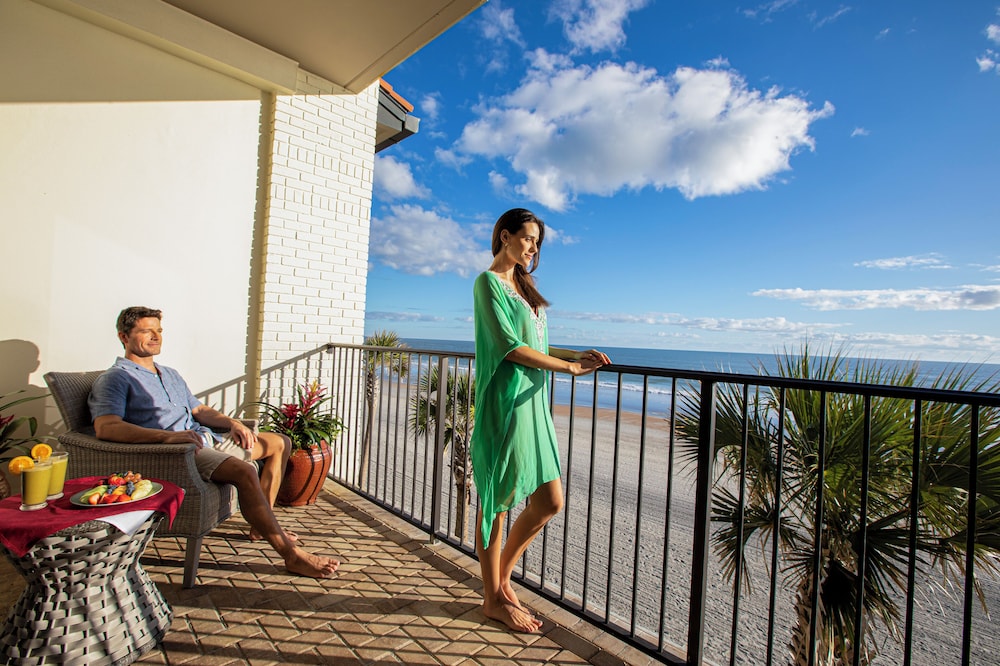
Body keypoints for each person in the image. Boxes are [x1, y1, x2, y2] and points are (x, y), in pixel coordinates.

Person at [88, 306, 339, 579]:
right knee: (245, 470)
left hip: (205, 439)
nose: (156, 337)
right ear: (124, 337)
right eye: (147, 331)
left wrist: (234, 424)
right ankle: (291, 556)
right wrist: (168, 436)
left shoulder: (168, 373)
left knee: (279, 442)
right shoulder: (116, 378)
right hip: (176, 452)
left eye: (159, 330)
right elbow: (106, 427)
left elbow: (198, 411)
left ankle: (261, 524)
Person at [471, 208, 610, 632]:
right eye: (528, 238)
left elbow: (538, 342)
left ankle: (501, 581)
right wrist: (566, 369)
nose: (533, 248)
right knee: (496, 503)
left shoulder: (525, 290)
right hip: (507, 402)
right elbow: (510, 348)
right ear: (505, 235)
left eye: (537, 242)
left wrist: (573, 356)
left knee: (550, 500)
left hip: (534, 405)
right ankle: (491, 598)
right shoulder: (488, 283)